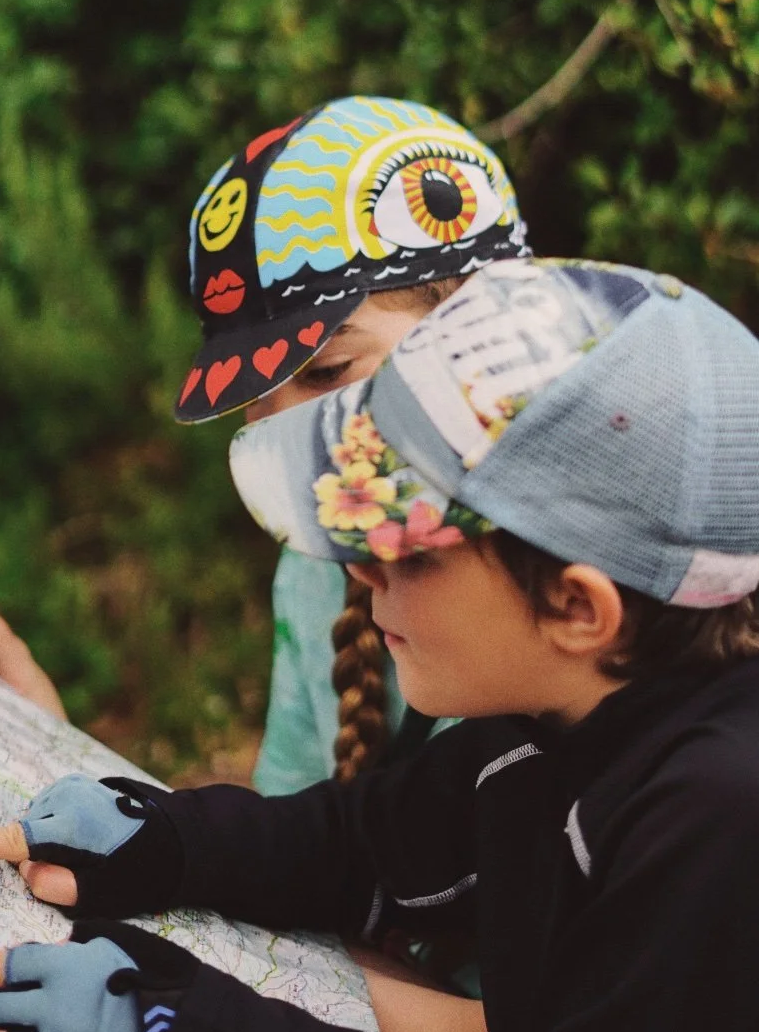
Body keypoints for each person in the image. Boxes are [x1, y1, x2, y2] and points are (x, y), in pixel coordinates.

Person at [0, 258, 759, 1032]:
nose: (361, 563)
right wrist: (158, 838)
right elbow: (361, 843)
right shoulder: (553, 717)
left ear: (577, 607)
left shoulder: (721, 813)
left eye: (409, 548)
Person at [173, 94, 529, 790]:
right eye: (253, 397)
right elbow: (292, 827)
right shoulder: (312, 574)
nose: (279, 433)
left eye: (328, 371)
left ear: (481, 331)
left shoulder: (577, 563)